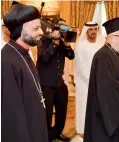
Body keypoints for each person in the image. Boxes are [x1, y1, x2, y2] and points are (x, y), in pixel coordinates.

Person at [1, 3, 48, 142]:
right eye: (36, 28)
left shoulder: (24, 53)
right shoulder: (7, 61)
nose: (41, 32)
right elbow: (13, 117)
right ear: (20, 30)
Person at [84, 17, 119, 142]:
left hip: (113, 114)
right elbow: (106, 88)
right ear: (110, 38)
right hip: (104, 118)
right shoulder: (103, 56)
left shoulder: (114, 52)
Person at [36, 18, 75, 142]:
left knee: (62, 111)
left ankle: (57, 132)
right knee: (46, 114)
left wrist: (67, 44)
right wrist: (53, 42)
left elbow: (71, 56)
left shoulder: (63, 42)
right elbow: (44, 59)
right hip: (46, 83)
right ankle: (47, 136)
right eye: (61, 28)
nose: (63, 31)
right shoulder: (43, 40)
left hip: (59, 82)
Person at [74, 21, 104, 141]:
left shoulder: (101, 45)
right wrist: (91, 80)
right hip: (84, 82)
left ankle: (96, 128)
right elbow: (80, 67)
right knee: (84, 105)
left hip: (99, 81)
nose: (93, 32)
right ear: (86, 31)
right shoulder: (81, 46)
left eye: (95, 29)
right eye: (90, 30)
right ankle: (82, 129)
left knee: (97, 105)